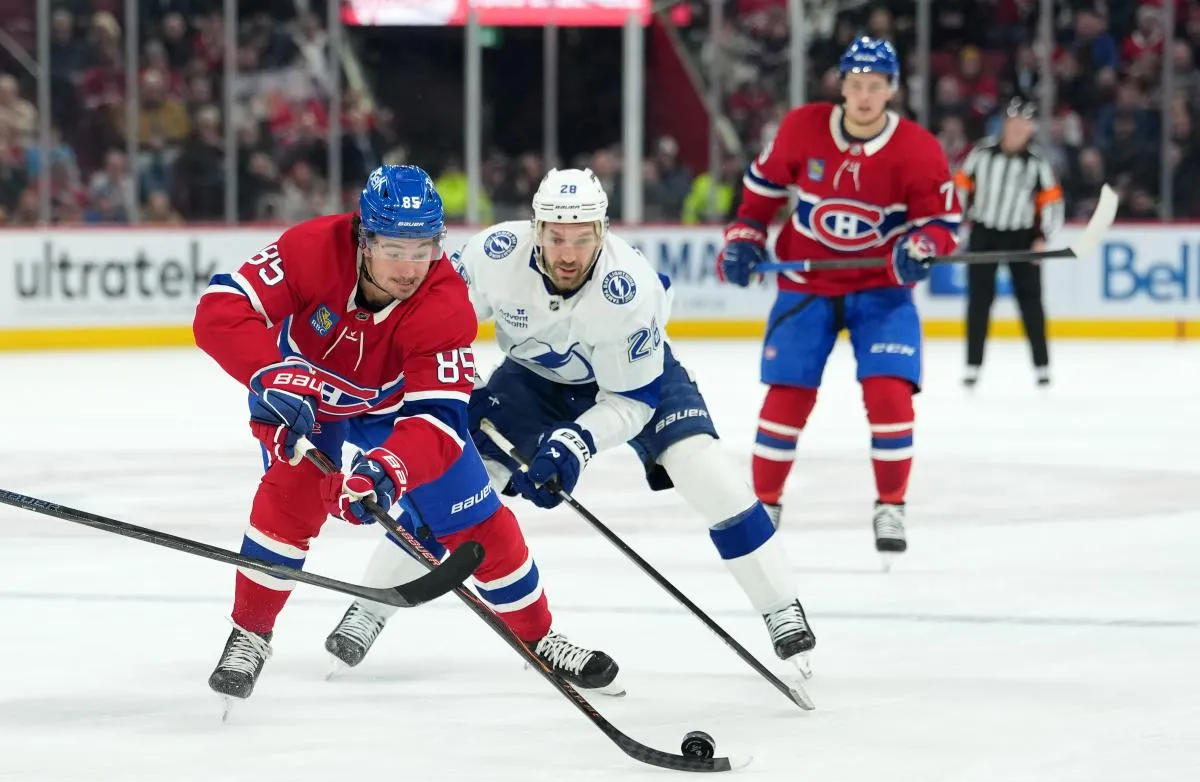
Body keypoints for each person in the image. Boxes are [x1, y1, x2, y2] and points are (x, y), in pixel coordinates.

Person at [322, 167, 816, 676]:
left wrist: (575, 443)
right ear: (536, 228)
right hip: (534, 378)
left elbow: (632, 401)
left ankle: (781, 607)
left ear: (602, 232)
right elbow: (437, 328)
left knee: (706, 471)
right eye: (556, 237)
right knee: (458, 485)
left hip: (634, 384)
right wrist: (459, 392)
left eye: (582, 239)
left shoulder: (632, 288)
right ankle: (371, 607)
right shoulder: (493, 255)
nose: (567, 253)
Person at [192, 164, 622, 707]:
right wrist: (268, 373)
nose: (411, 267)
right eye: (395, 248)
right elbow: (219, 310)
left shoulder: (445, 302)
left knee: (479, 525)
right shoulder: (310, 249)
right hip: (307, 398)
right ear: (363, 238)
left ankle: (539, 637)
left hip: (398, 411)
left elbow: (437, 422)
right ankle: (250, 634)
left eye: (425, 249)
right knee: (288, 500)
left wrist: (386, 470)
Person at [716, 36, 962, 568]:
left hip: (881, 289)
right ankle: (766, 506)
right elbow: (759, 194)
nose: (865, 96)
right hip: (807, 284)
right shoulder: (803, 127)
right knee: (787, 397)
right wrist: (744, 237)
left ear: (892, 89)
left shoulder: (919, 149)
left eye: (876, 86)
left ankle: (891, 506)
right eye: (856, 85)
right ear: (842, 86)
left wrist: (920, 247)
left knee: (891, 396)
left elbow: (942, 224)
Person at [954, 96, 1064, 388]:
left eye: (1023, 124)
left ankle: (1042, 366)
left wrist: (1043, 237)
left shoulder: (1037, 163)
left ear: (1031, 128)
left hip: (1022, 236)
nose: (1017, 129)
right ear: (1004, 124)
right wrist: (956, 226)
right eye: (1012, 123)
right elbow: (961, 190)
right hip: (983, 232)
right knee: (978, 302)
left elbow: (1052, 203)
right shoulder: (981, 153)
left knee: (1031, 303)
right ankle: (972, 365)